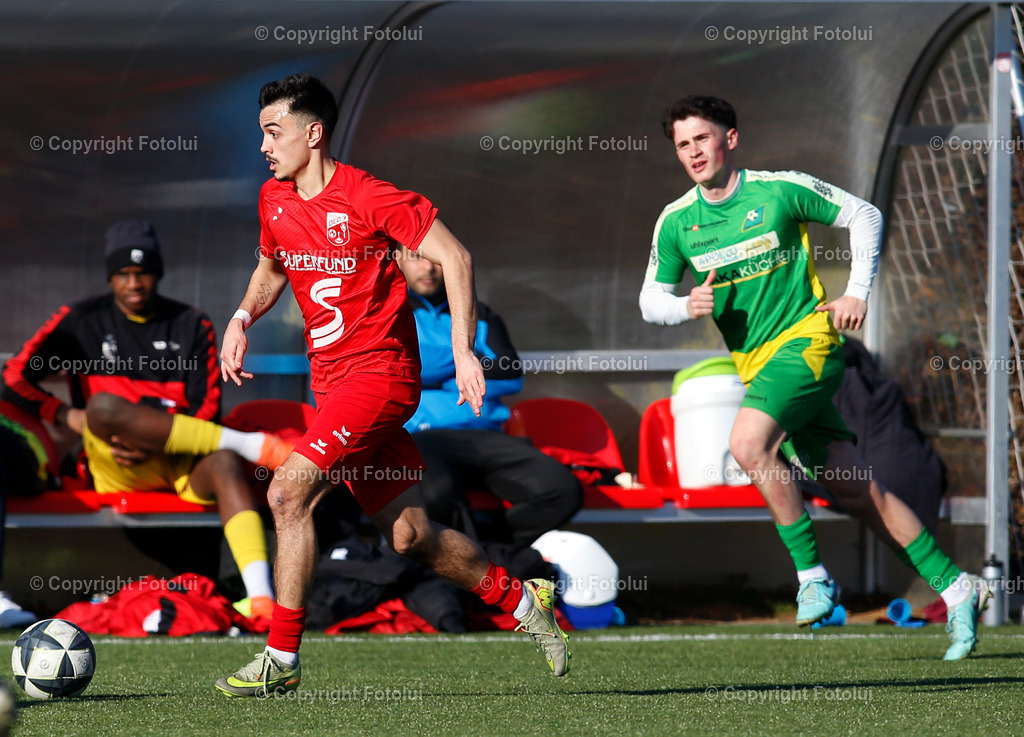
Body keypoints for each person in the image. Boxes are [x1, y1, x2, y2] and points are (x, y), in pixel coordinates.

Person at [215, 73, 570, 697]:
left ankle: (280, 656)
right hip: (331, 387)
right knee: (409, 537)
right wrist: (243, 318)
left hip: (379, 377)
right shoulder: (275, 200)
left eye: (274, 133)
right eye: (262, 134)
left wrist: (463, 351)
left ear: (313, 133)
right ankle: (521, 596)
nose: (265, 147)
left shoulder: (369, 196)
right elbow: (271, 266)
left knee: (286, 496)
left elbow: (455, 256)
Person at [639, 95, 989, 660]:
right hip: (760, 368)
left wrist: (856, 292)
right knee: (859, 490)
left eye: (701, 138)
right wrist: (685, 305)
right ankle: (958, 588)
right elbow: (650, 299)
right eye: (682, 145)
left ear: (730, 138)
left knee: (747, 444)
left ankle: (812, 580)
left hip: (810, 345)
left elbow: (865, 215)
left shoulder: (778, 189)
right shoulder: (678, 221)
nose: (693, 152)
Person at [0, 221, 294, 625]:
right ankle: (258, 446)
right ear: (110, 277)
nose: (134, 283)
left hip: (176, 461)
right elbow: (14, 377)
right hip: (113, 462)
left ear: (157, 273)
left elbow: (204, 411)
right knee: (103, 407)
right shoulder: (81, 319)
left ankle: (261, 600)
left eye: (143, 272)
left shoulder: (192, 324)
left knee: (224, 462)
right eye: (123, 273)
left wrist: (153, 440)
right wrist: (64, 413)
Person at [397, 247, 583, 546]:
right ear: (398, 259)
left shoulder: (480, 314)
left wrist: (437, 376)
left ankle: (490, 554)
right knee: (436, 497)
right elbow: (399, 369)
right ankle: (460, 571)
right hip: (422, 437)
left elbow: (510, 375)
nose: (429, 269)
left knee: (562, 490)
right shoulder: (387, 309)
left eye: (436, 259)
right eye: (418, 258)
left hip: (486, 434)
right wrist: (465, 360)